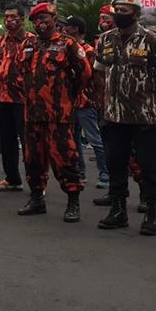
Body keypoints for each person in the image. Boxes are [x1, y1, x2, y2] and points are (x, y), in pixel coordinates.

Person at [93, 0, 156, 236]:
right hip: (114, 114)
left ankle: (152, 213)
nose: (119, 14)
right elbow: (98, 70)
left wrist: (152, 88)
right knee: (115, 164)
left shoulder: (151, 40)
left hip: (145, 114)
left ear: (137, 13)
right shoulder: (106, 39)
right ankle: (118, 211)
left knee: (149, 166)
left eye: (124, 10)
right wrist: (108, 94)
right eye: (116, 10)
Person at [16, 2, 91, 222]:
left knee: (65, 158)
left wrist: (67, 95)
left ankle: (73, 202)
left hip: (59, 114)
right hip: (33, 113)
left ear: (54, 19)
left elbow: (83, 74)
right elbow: (22, 73)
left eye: (45, 19)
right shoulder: (28, 44)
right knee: (33, 159)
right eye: (37, 20)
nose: (40, 23)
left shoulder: (68, 44)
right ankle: (37, 199)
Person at [63, 16, 109, 189]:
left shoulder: (87, 50)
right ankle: (79, 170)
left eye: (67, 27)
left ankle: (104, 172)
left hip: (85, 99)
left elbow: (93, 76)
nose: (64, 30)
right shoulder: (67, 48)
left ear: (75, 29)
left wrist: (97, 96)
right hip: (70, 99)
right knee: (73, 138)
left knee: (94, 138)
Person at [0, 5, 31, 192]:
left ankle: (36, 180)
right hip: (3, 97)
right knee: (6, 141)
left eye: (13, 17)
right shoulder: (1, 41)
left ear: (22, 19)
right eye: (6, 16)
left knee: (28, 142)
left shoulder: (31, 41)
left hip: (23, 99)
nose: (9, 20)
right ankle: (12, 178)